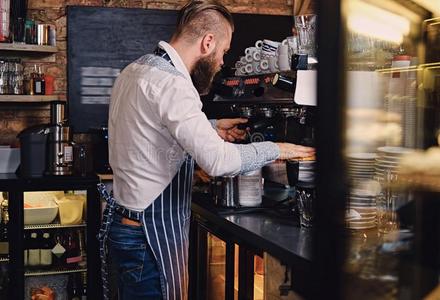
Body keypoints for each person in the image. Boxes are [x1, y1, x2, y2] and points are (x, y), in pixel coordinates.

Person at [98, 1, 315, 299]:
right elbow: (218, 161)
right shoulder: (173, 84)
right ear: (207, 42)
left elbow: (151, 128)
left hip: (125, 225)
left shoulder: (136, 70)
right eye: (223, 52)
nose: (222, 62)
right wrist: (278, 148)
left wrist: (211, 127)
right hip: (148, 236)